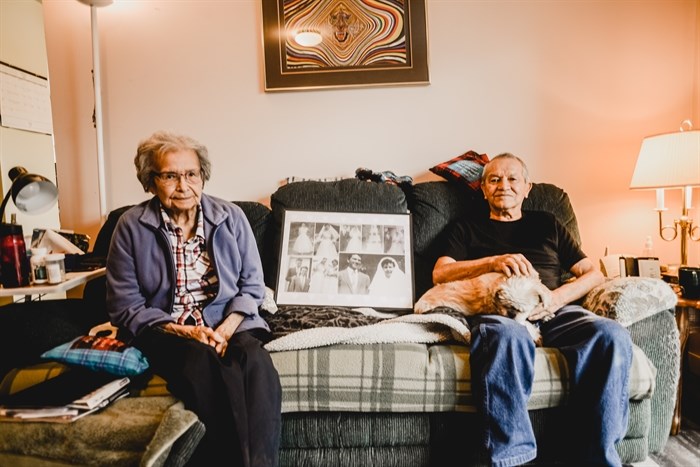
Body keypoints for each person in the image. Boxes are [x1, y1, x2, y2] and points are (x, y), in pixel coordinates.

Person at [432, 153, 631, 467]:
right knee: (506, 335)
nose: (504, 186)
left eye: (513, 179)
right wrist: (492, 261)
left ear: (527, 187)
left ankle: (599, 458)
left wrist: (557, 298)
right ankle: (514, 459)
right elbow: (440, 273)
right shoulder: (466, 227)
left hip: (553, 308)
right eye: (494, 180)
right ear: (483, 189)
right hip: (501, 310)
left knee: (610, 334)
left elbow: (593, 274)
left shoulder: (547, 223)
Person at [106, 131, 281, 467]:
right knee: (203, 363)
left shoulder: (231, 217)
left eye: (191, 174)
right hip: (167, 328)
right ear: (151, 180)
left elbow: (252, 285)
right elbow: (125, 304)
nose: (183, 185)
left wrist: (227, 329)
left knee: (256, 365)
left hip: (227, 321)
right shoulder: (130, 226)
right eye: (170, 175)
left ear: (202, 177)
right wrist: (185, 331)